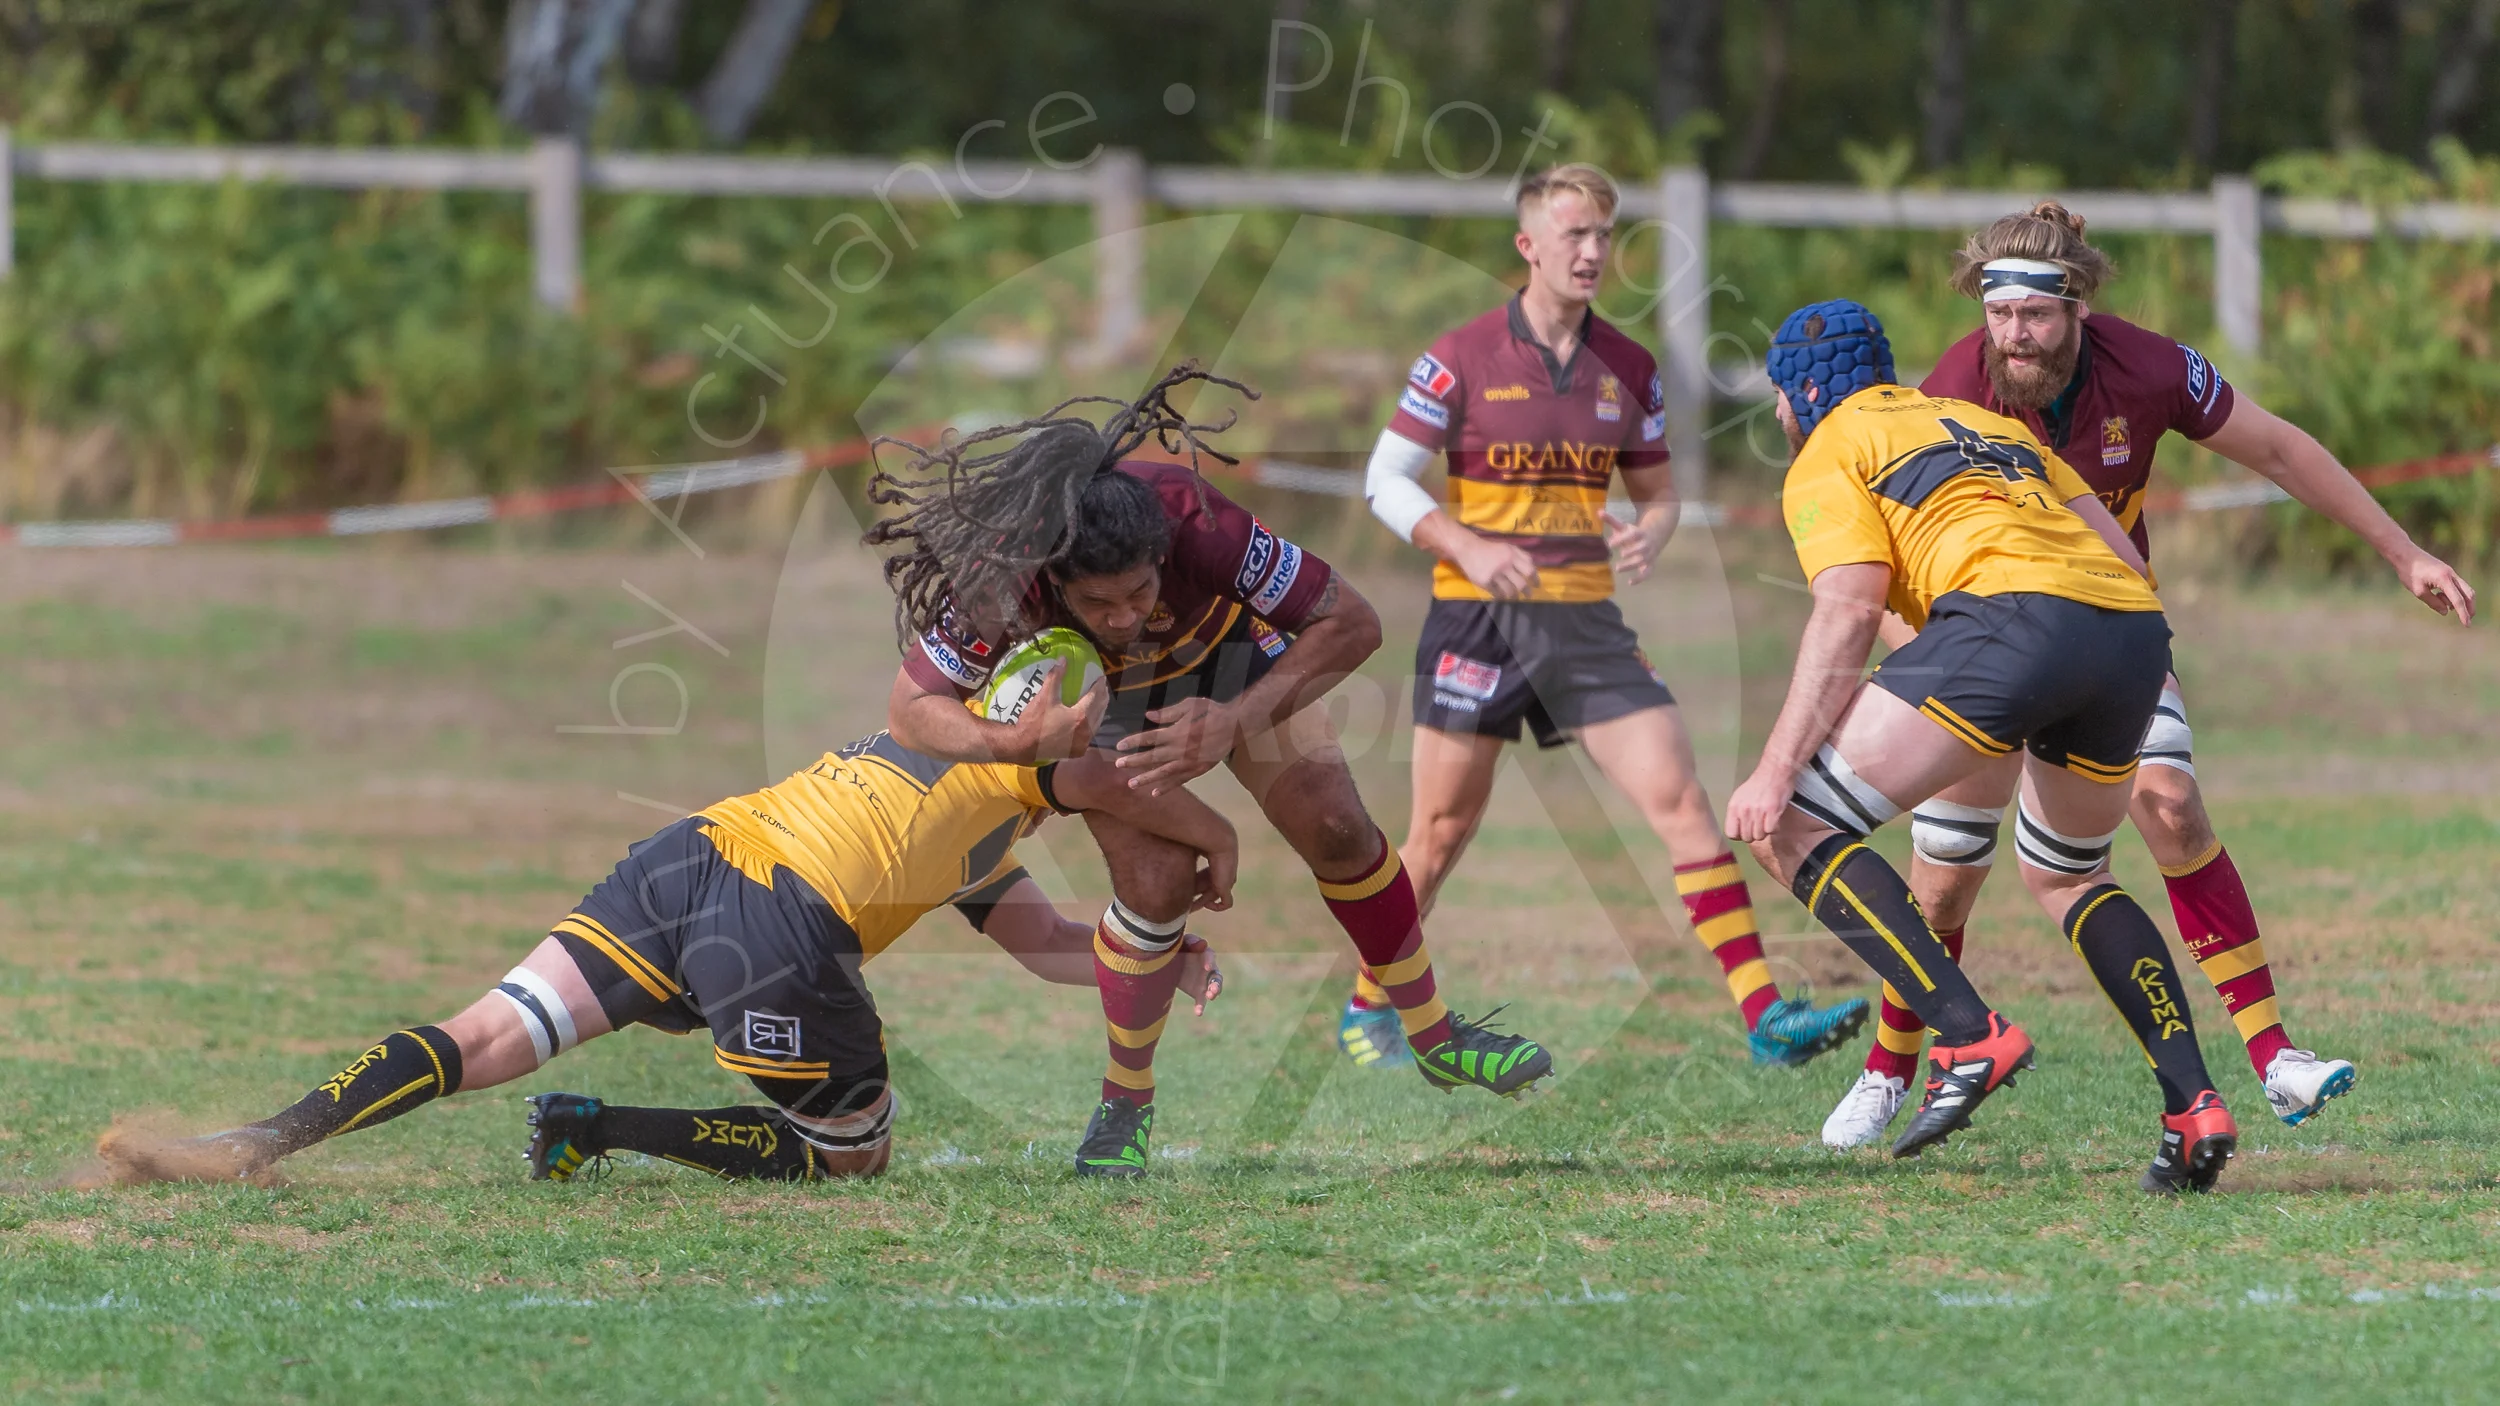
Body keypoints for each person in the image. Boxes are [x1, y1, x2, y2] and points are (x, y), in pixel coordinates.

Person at [1818, 203, 2478, 1148]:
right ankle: (1890, 1067)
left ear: (2077, 306)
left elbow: (2279, 448)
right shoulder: (1956, 387)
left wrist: (2402, 551)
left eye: (2034, 315)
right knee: (1946, 878)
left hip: (2106, 626)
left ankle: (2275, 1056)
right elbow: (1889, 549)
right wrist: (1933, 655)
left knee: (2170, 806)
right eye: (1999, 315)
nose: (2014, 335)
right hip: (1979, 639)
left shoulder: (2152, 368)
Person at [873, 365, 1555, 1177]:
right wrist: (1018, 742)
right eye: (1100, 604)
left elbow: (1353, 622)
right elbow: (912, 709)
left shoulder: (1195, 520)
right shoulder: (1006, 576)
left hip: (1233, 663)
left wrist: (1234, 719)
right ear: (1054, 579)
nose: (1124, 615)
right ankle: (1125, 1102)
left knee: (1337, 826)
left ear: (1162, 555)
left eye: (1139, 593)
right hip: (1102, 703)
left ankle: (1435, 1036)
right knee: (1157, 884)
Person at [96, 731, 1229, 1186]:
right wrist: (1216, 830)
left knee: (485, 1034)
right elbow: (1111, 781)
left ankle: (258, 1139)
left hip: (687, 858)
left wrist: (1153, 962)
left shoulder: (951, 797)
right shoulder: (1020, 759)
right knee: (854, 1154)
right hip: (777, 918)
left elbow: (1046, 944)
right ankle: (599, 1128)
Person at [1357, 161, 1867, 1070]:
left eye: (1603, 234)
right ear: (1529, 246)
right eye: (1575, 235)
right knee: (1437, 837)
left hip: (1586, 627)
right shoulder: (1461, 355)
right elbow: (1384, 480)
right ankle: (1369, 1009)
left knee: (1685, 805)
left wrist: (1651, 533)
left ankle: (1763, 1018)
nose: (1593, 251)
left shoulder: (1629, 367)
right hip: (1478, 623)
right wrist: (1467, 546)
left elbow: (1659, 496)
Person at [1728, 299, 2241, 1191]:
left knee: (1787, 824)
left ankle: (1970, 1036)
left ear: (1800, 396)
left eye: (1779, 397)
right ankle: (2194, 1104)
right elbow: (2126, 558)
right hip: (2129, 632)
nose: (1779, 413)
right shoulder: (1984, 421)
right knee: (2072, 876)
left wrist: (1774, 771)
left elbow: (1849, 606)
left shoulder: (1829, 450)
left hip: (2009, 623)